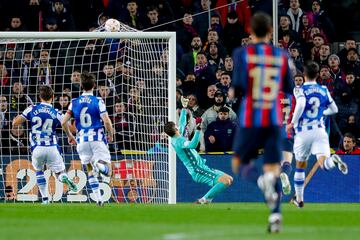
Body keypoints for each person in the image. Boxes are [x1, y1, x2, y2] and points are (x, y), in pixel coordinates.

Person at [230, 12, 294, 233]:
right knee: (273, 169)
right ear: (270, 31)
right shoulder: (282, 55)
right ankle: (276, 214)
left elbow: (237, 88)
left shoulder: (242, 54)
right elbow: (288, 88)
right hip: (274, 119)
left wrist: (233, 91)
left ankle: (260, 182)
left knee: (239, 164)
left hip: (250, 119)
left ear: (250, 31)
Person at [286, 61, 348, 209]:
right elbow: (334, 109)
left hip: (304, 132)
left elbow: (300, 105)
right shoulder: (323, 89)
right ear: (318, 74)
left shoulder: (299, 90)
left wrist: (292, 123)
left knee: (300, 166)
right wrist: (322, 113)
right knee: (324, 164)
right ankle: (333, 160)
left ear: (304, 75)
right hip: (319, 131)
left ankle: (299, 200)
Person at [12, 85, 77, 204]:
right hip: (52, 147)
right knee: (60, 173)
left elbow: (15, 124)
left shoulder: (31, 108)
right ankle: (63, 177)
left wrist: (18, 118)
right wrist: (70, 135)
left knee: (39, 171)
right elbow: (68, 127)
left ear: (39, 97)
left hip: (37, 148)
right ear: (52, 97)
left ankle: (45, 199)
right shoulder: (56, 112)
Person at [164, 96, 233, 204]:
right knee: (225, 181)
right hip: (198, 170)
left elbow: (182, 123)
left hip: (201, 167)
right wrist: (197, 130)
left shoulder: (176, 137)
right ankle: (203, 200)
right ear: (175, 129)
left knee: (229, 179)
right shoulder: (179, 141)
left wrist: (184, 107)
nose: (178, 126)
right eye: (176, 126)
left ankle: (207, 199)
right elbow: (192, 144)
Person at [61, 71, 114, 206]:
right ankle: (99, 165)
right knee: (107, 171)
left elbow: (63, 122)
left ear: (81, 86)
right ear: (94, 86)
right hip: (97, 138)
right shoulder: (98, 101)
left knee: (90, 170)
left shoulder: (74, 102)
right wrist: (111, 134)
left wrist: (70, 136)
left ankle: (98, 199)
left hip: (82, 141)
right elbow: (106, 121)